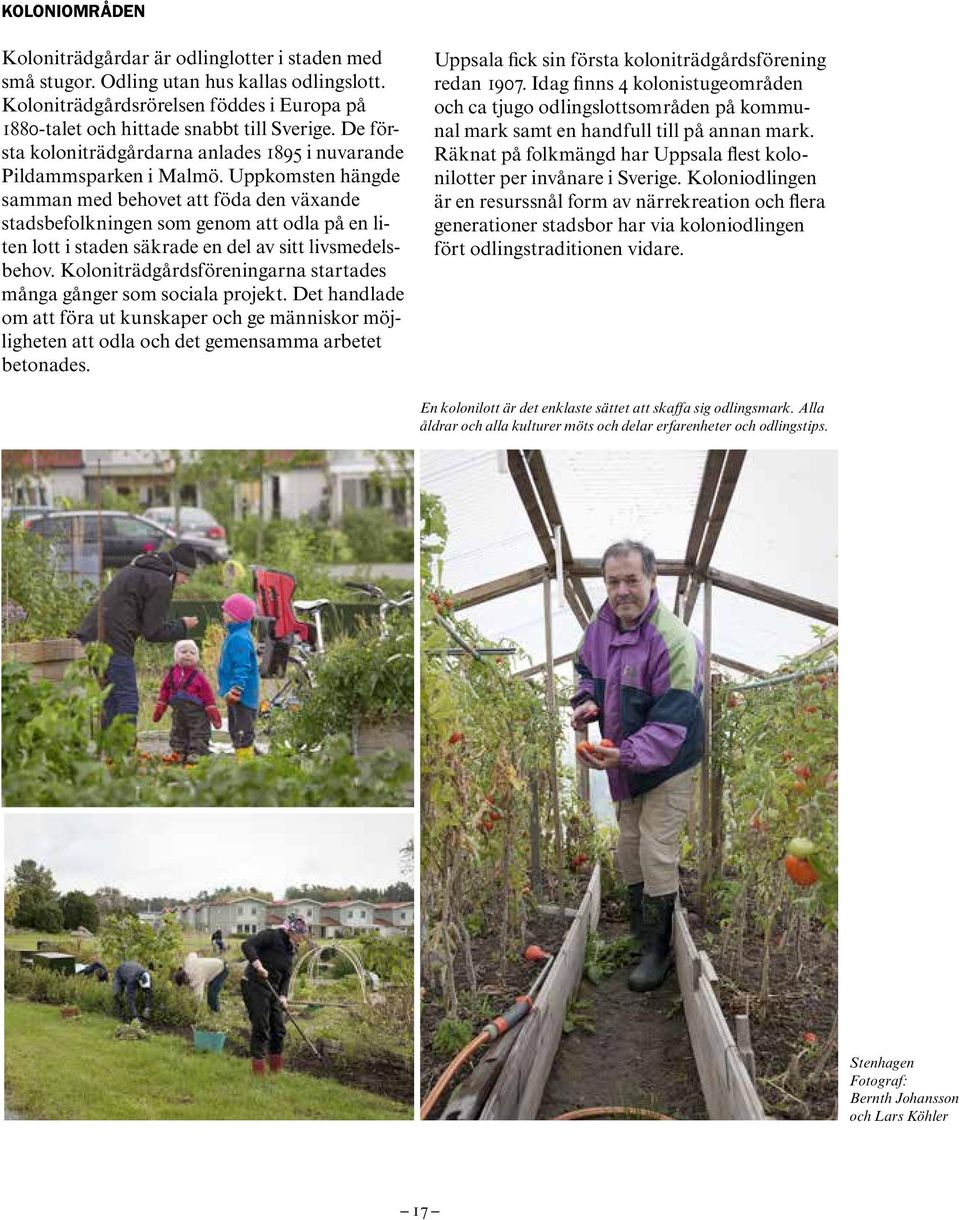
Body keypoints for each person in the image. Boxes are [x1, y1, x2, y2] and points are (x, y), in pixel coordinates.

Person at [572, 539, 704, 993]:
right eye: (613, 581)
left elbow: (670, 727)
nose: (622, 590)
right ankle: (639, 928)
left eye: (632, 580)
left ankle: (658, 950)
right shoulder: (600, 627)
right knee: (627, 847)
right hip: (625, 759)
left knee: (655, 848)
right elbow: (585, 667)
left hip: (670, 761)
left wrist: (621, 755)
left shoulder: (674, 640)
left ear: (652, 579)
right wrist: (587, 700)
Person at [76, 543, 200, 729]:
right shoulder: (161, 582)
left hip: (91, 637)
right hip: (114, 642)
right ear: (177, 569)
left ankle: (110, 753)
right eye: (186, 575)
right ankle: (125, 752)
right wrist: (182, 625)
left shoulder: (139, 568)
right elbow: (153, 632)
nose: (186, 581)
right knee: (127, 700)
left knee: (111, 700)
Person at [239, 916, 309, 1075]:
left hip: (274, 989)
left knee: (278, 1029)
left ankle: (276, 1070)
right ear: (290, 931)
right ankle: (259, 1071)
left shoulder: (291, 949)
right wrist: (257, 965)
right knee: (261, 1026)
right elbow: (247, 945)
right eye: (300, 934)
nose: (302, 938)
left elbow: (287, 975)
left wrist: (283, 996)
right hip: (254, 984)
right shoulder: (272, 936)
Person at [152, 638, 222, 763]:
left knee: (198, 733)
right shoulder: (172, 674)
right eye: (183, 652)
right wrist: (160, 707)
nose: (188, 655)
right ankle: (178, 752)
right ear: (176, 656)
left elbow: (208, 695)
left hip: (197, 714)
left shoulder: (199, 676)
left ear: (196, 657)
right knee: (178, 732)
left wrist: (213, 713)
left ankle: (196, 753)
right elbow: (164, 691)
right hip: (179, 712)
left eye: (192, 653)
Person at [217, 593, 260, 762]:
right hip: (235, 695)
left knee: (242, 732)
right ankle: (241, 760)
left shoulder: (240, 638)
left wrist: (235, 690)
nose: (223, 614)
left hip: (242, 696)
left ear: (236, 616)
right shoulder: (235, 634)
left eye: (226, 611)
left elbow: (242, 668)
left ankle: (246, 764)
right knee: (235, 730)